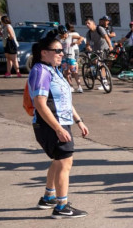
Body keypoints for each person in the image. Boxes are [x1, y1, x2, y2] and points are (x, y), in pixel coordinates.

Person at [28, 33, 89, 218]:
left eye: (62, 51)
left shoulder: (53, 70)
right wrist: (58, 128)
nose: (61, 54)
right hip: (51, 124)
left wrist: (78, 121)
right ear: (44, 53)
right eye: (57, 51)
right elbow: (40, 102)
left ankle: (48, 197)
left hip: (61, 122)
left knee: (58, 160)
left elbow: (65, 100)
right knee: (65, 162)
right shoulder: (41, 71)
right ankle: (62, 207)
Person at [60, 24, 84, 93]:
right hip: (64, 57)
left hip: (71, 56)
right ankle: (71, 86)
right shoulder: (58, 38)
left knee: (74, 72)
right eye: (62, 34)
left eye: (64, 33)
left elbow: (81, 37)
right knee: (67, 72)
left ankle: (79, 86)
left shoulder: (70, 36)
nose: (64, 35)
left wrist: (77, 42)